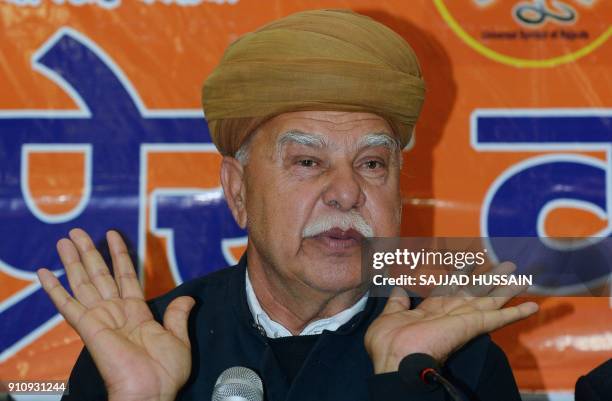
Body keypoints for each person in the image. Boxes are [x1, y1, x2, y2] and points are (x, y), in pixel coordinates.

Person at [36, 9, 538, 401]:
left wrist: (404, 383)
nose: (346, 193)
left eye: (371, 164)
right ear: (237, 192)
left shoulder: (451, 358)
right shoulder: (142, 346)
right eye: (306, 162)